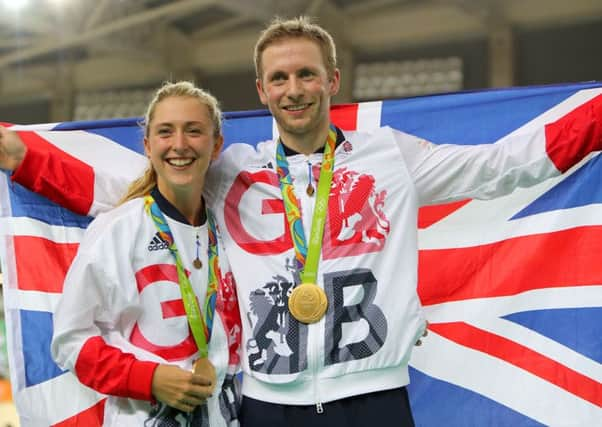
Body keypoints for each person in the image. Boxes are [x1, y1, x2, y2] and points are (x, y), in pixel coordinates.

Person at [1, 15, 602, 427]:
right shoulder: (231, 168)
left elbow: (505, 166)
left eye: (307, 74)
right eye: (281, 78)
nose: (295, 89)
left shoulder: (389, 157)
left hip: (375, 398)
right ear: (261, 90)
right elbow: (135, 187)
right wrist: (24, 158)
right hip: (268, 408)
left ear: (332, 82)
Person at [50, 81, 241, 426]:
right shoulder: (119, 228)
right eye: (165, 132)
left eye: (194, 131)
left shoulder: (230, 229)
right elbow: (69, 341)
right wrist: (148, 378)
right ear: (148, 146)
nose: (179, 144)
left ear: (216, 146)